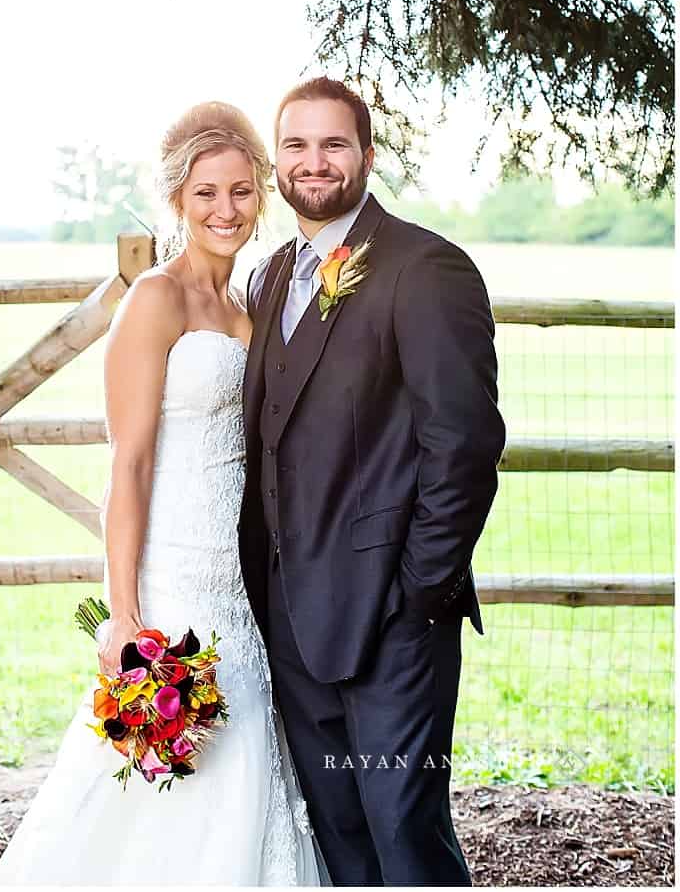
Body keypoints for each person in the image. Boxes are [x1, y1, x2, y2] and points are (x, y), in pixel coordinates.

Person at [0, 102, 322, 886]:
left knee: (240, 755)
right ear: (178, 200)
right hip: (172, 574)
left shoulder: (248, 307)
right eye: (206, 194)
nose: (226, 210)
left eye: (241, 192)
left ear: (260, 197)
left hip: (237, 583)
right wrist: (124, 612)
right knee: (157, 777)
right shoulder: (155, 300)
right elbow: (129, 464)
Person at [238, 76, 506, 887]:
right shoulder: (274, 274)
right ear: (277, 159)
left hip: (393, 618)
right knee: (339, 832)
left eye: (333, 143)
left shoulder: (426, 267)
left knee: (404, 832)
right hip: (289, 613)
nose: (313, 162)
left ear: (367, 155)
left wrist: (421, 592)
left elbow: (463, 443)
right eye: (296, 144)